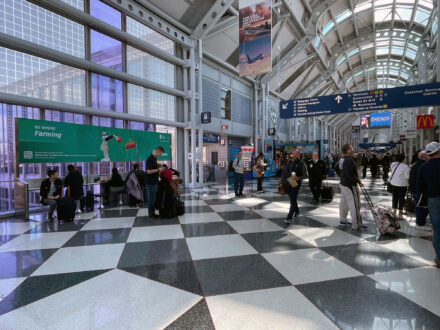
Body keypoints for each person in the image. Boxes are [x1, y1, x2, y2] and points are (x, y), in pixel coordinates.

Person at [417, 142, 440, 268]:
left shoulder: (424, 168)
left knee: (437, 229)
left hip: (433, 199)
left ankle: (439, 259)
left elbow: (419, 188)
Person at [338, 144, 366, 230]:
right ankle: (356, 224)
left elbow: (336, 168)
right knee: (355, 204)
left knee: (344, 203)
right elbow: (351, 175)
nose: (353, 149)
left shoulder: (341, 159)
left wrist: (342, 177)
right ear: (348, 150)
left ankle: (343, 220)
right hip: (350, 186)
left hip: (343, 184)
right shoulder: (349, 160)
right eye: (352, 148)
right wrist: (359, 182)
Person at [282, 149, 307, 223]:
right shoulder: (289, 162)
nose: (295, 154)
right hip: (288, 182)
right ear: (292, 154)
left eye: (297, 153)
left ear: (299, 154)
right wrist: (282, 181)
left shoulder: (302, 163)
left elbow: (306, 176)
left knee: (293, 199)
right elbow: (284, 171)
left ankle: (289, 217)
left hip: (296, 183)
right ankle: (297, 210)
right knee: (292, 199)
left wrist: (298, 178)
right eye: (294, 153)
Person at [409, 151, 430, 230]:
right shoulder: (423, 165)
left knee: (418, 205)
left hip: (415, 189)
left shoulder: (415, 165)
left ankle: (420, 222)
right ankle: (420, 224)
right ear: (424, 157)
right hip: (420, 190)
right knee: (421, 207)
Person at [389, 153, 410, 219]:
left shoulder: (393, 164)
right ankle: (400, 210)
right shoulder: (405, 166)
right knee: (401, 197)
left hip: (394, 183)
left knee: (394, 196)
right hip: (402, 184)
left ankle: (394, 209)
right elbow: (407, 176)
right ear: (403, 159)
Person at [146, 146, 164, 218]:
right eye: (160, 154)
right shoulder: (150, 159)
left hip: (154, 182)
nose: (160, 155)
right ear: (158, 151)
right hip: (151, 183)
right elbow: (149, 171)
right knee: (151, 200)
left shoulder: (154, 159)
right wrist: (158, 170)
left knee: (153, 199)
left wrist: (158, 167)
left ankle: (152, 213)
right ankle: (151, 214)